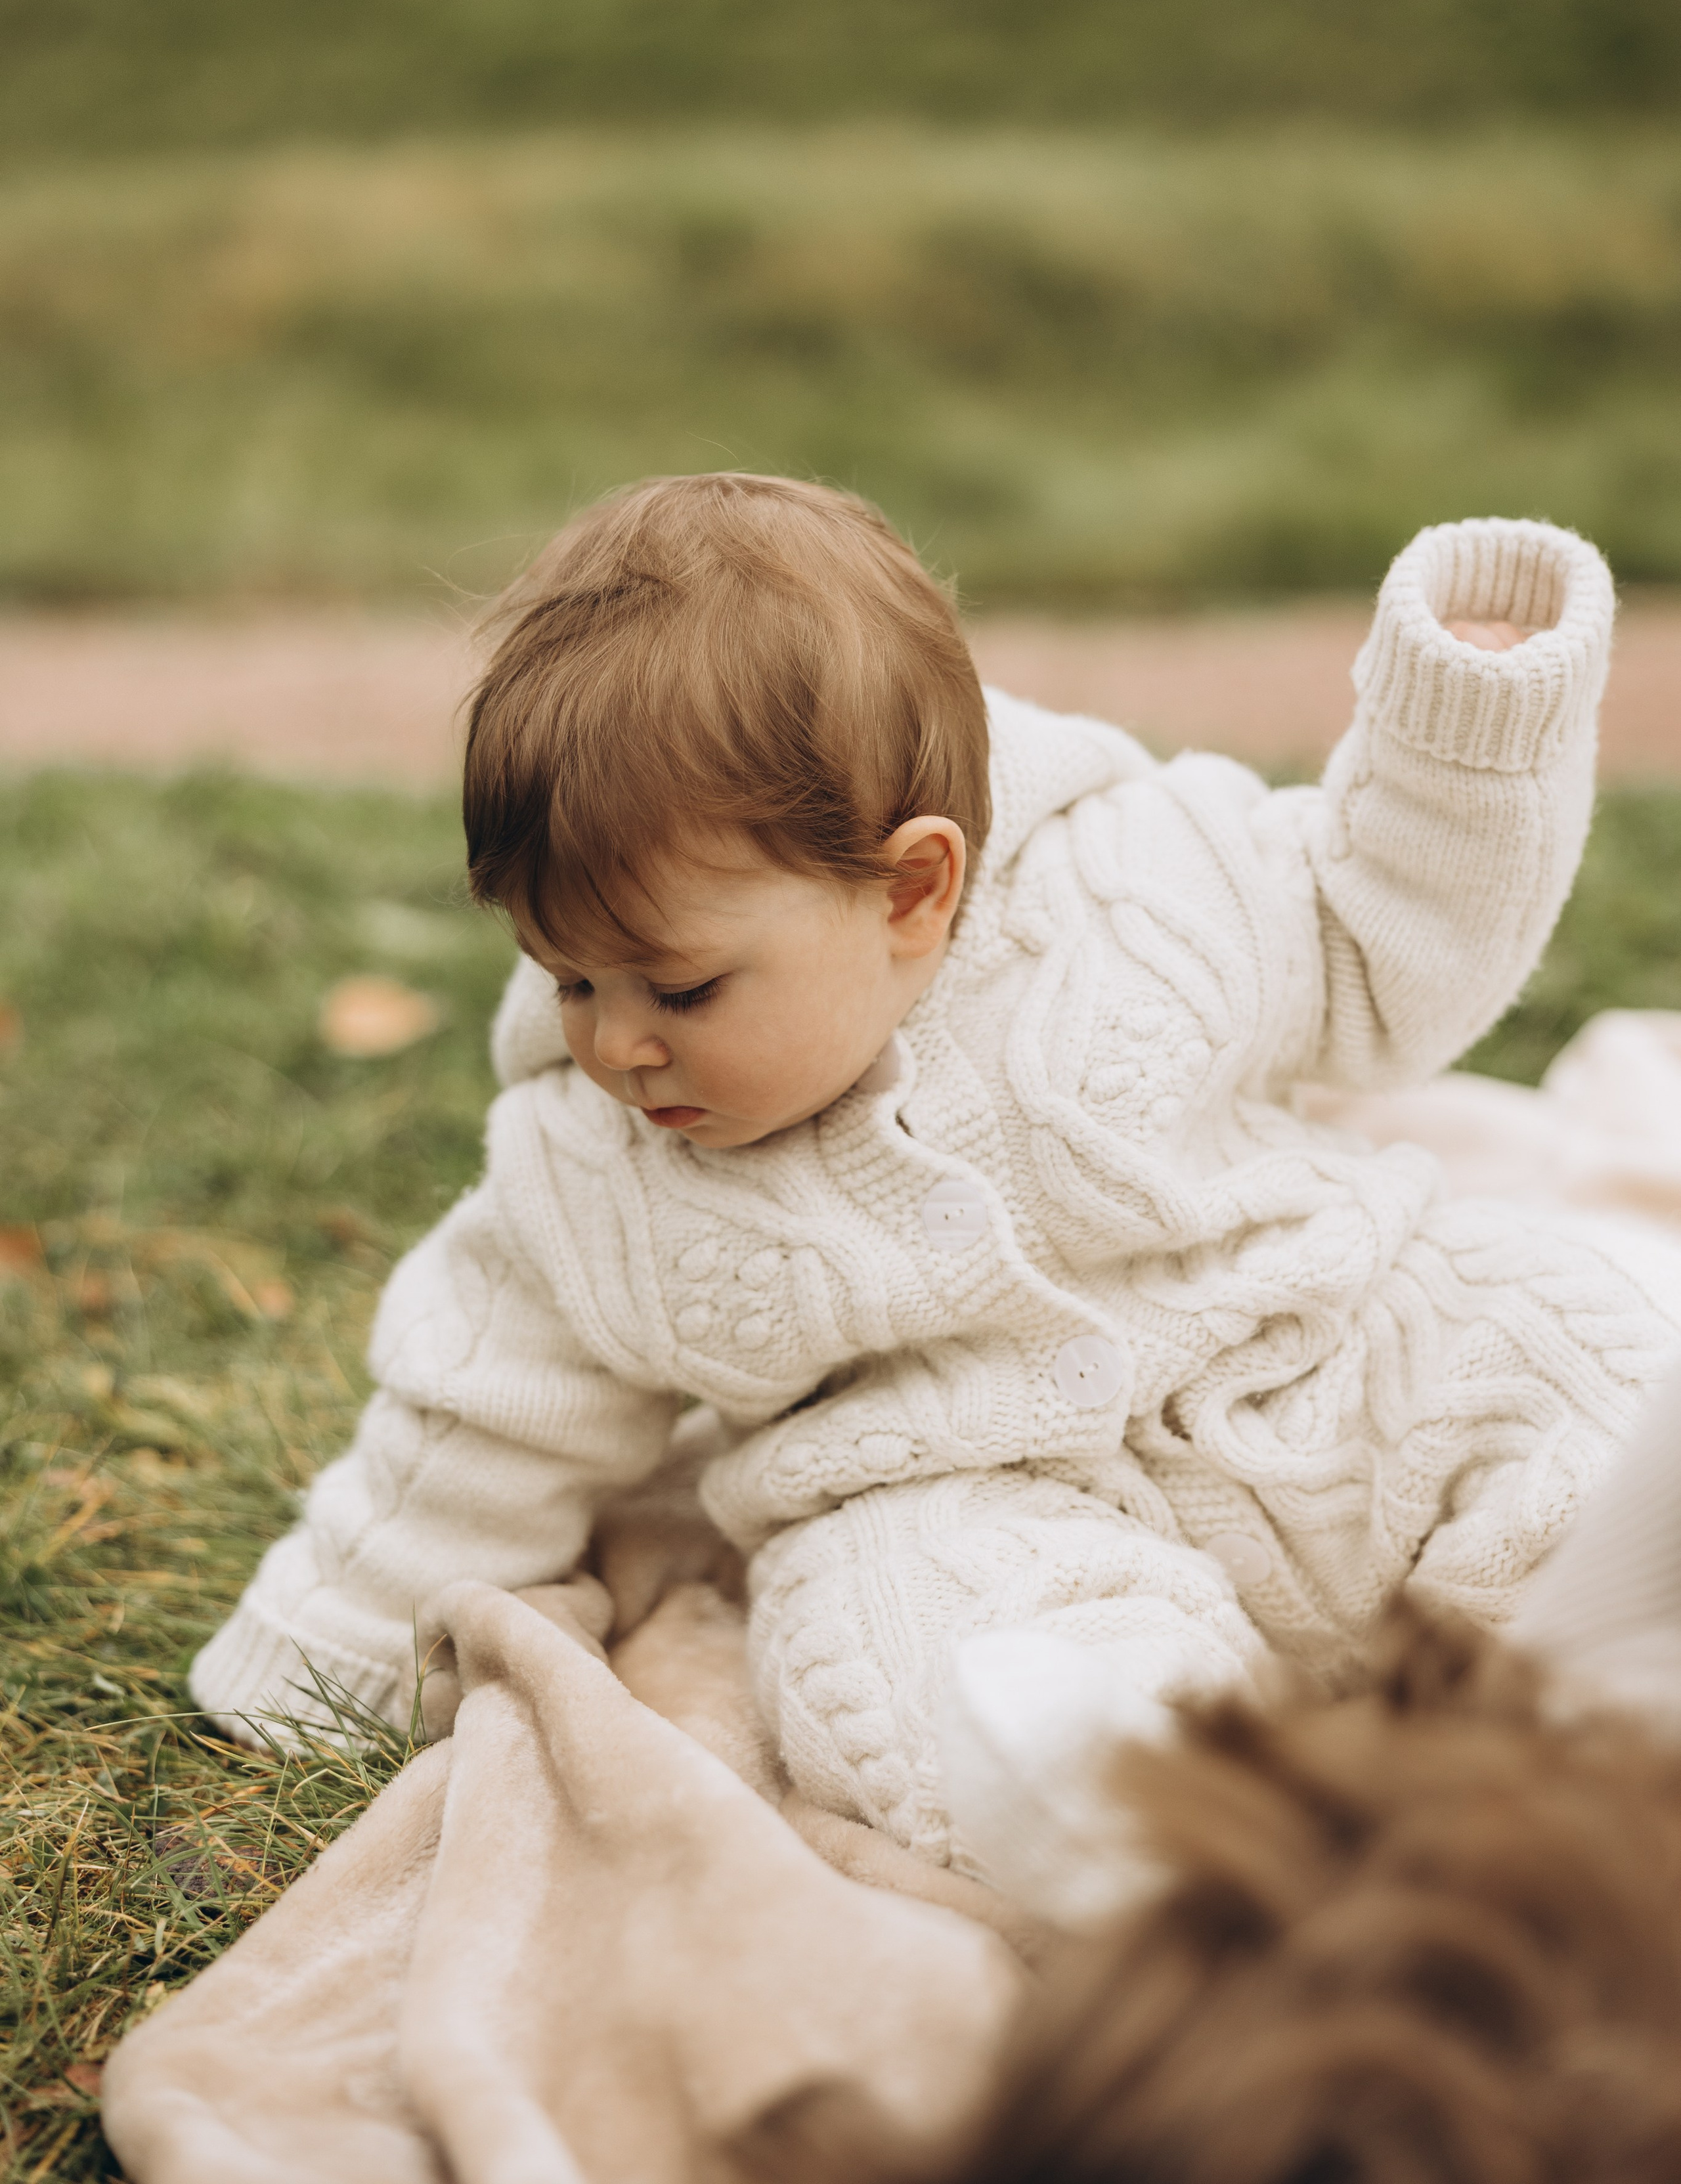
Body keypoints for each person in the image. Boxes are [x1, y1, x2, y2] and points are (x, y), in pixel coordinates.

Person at [190, 473, 1681, 1896]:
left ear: (913, 888)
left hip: (1321, 1350)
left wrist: (1462, 725)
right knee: (915, 1657)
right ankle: (1191, 1834)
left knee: (1559, 1353)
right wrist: (313, 1673)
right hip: (964, 1497)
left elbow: (1380, 944)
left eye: (679, 985)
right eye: (567, 978)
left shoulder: (1143, 885)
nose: (618, 1045)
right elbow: (469, 1426)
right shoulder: (590, 1184)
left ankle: (1598, 1704)